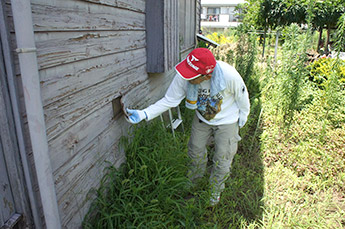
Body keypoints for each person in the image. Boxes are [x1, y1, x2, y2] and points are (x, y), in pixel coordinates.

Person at [126, 48, 250, 206]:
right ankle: (194, 184)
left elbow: (243, 97)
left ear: (207, 75)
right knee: (195, 152)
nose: (186, 77)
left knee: (222, 158)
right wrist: (144, 114)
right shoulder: (185, 75)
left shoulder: (229, 76)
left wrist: (243, 116)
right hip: (202, 118)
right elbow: (169, 100)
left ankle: (215, 191)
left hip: (227, 120)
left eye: (192, 75)